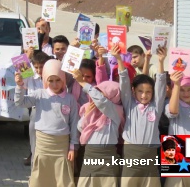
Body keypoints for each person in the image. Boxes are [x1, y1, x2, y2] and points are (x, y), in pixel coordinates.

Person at [15, 59, 79, 187]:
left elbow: (74, 123)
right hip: (43, 143)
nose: (54, 84)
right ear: (45, 80)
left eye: (58, 80)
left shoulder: (70, 98)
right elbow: (20, 102)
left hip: (61, 145)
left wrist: (73, 146)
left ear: (63, 79)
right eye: (50, 80)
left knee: (62, 176)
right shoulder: (40, 95)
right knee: (41, 175)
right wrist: (19, 86)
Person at [113, 44, 167, 187]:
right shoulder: (129, 104)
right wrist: (118, 58)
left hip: (149, 153)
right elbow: (124, 81)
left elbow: (161, 84)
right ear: (133, 91)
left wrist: (161, 61)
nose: (144, 95)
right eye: (140, 91)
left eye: (148, 92)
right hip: (131, 152)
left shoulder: (156, 106)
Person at [73, 70, 124, 187]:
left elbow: (102, 102)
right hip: (90, 154)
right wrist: (87, 115)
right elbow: (81, 128)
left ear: (113, 96)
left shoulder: (116, 110)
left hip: (107, 156)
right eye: (98, 93)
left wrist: (82, 82)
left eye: (103, 94)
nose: (97, 98)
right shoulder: (90, 109)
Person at [23, 50, 52, 166]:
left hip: (51, 109)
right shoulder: (30, 76)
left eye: (42, 67)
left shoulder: (52, 76)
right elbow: (21, 80)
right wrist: (26, 57)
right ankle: (34, 156)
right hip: (35, 109)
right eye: (36, 67)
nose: (39, 70)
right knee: (33, 133)